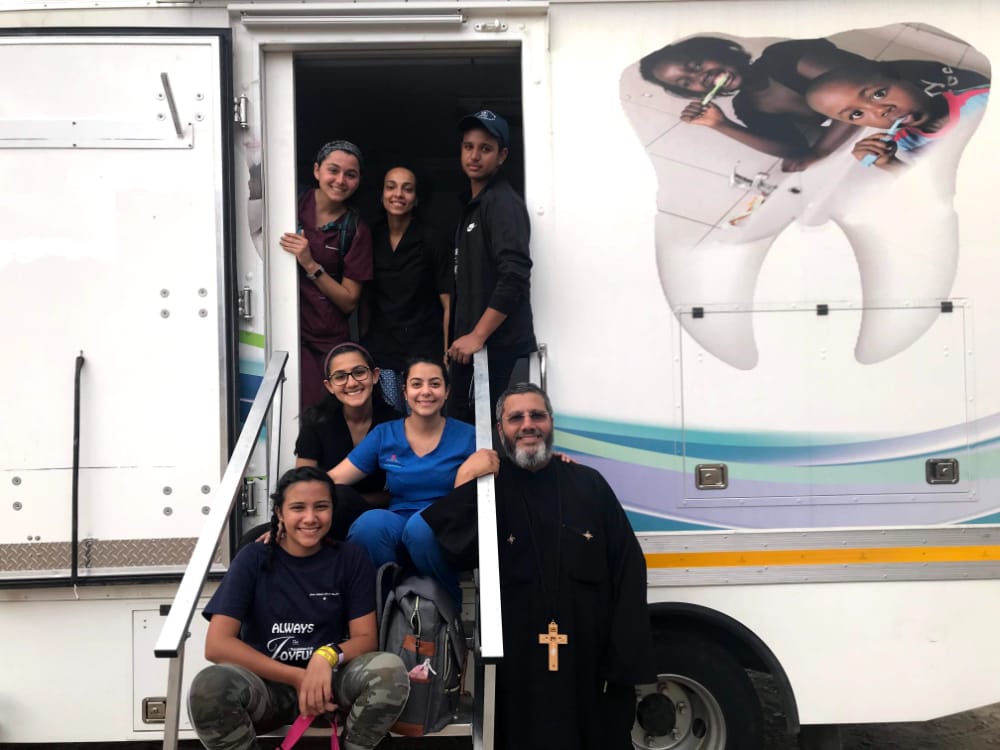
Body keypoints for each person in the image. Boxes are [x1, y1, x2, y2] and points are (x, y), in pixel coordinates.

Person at [423, 383, 655, 750]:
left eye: (537, 415)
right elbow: (451, 549)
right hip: (519, 669)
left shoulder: (589, 484)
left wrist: (623, 661)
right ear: (501, 430)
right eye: (516, 418)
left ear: (551, 423)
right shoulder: (490, 490)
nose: (528, 424)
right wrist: (466, 479)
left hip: (590, 664)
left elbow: (629, 568)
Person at [187, 466, 409, 750]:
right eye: (297, 507)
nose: (310, 518)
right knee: (210, 687)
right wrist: (298, 676)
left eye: (321, 507)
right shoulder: (253, 557)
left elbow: (366, 639)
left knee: (389, 670)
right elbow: (217, 645)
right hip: (267, 688)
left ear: (332, 510)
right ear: (280, 512)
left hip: (331, 685)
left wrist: (324, 658)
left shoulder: (350, 558)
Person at [329, 357, 490, 604]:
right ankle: (392, 606)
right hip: (399, 519)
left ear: (446, 392)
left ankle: (448, 608)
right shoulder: (385, 433)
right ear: (405, 392)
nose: (425, 391)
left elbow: (499, 465)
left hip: (445, 523)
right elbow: (335, 478)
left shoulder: (469, 436)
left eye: (434, 384)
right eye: (416, 384)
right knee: (369, 524)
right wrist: (287, 510)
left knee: (421, 528)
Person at [639, 36, 873, 172]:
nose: (701, 78)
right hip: (884, 122)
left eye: (696, 65)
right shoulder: (747, 106)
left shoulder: (784, 56)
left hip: (904, 90)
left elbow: (863, 93)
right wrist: (721, 124)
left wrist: (819, 152)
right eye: (686, 82)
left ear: (716, 52)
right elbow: (793, 149)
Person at [447, 110, 537, 423]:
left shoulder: (502, 202)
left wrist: (478, 335)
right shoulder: (475, 204)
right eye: (468, 146)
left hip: (496, 352)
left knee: (490, 445)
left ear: (502, 156)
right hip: (473, 353)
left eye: (485, 148)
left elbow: (515, 275)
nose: (474, 155)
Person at [280, 140, 373, 409]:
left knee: (319, 416)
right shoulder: (287, 205)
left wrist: (311, 264)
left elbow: (349, 300)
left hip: (324, 340)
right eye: (333, 170)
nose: (340, 180)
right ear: (317, 170)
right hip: (279, 329)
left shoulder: (355, 229)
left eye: (350, 175)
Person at [363, 166, 452, 412]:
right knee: (391, 419)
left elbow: (448, 302)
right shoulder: (370, 236)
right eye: (391, 186)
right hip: (383, 349)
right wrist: (365, 343)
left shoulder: (432, 238)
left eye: (407, 188)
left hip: (424, 348)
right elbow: (365, 299)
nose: (398, 194)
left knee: (423, 416)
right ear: (381, 195)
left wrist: (446, 354)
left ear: (417, 198)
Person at [295, 342, 401, 538]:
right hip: (322, 513)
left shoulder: (395, 424)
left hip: (376, 519)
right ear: (329, 386)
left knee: (342, 497)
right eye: (340, 377)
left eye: (359, 372)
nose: (351, 383)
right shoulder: (316, 422)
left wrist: (350, 499)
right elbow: (302, 482)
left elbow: (401, 492)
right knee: (254, 539)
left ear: (375, 375)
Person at [804, 60, 989, 169]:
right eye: (857, 114)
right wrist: (889, 164)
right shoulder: (904, 142)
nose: (880, 111)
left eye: (879, 94)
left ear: (904, 80)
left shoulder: (984, 99)